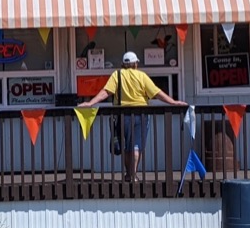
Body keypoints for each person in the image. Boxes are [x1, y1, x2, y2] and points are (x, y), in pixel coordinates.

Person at [79, 51, 186, 182]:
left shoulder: (116, 75)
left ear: (123, 64)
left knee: (125, 146)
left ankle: (129, 174)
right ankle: (134, 174)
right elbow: (157, 92)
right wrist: (173, 102)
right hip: (141, 114)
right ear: (135, 63)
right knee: (136, 145)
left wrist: (90, 103)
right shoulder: (142, 76)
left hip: (121, 114)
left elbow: (106, 92)